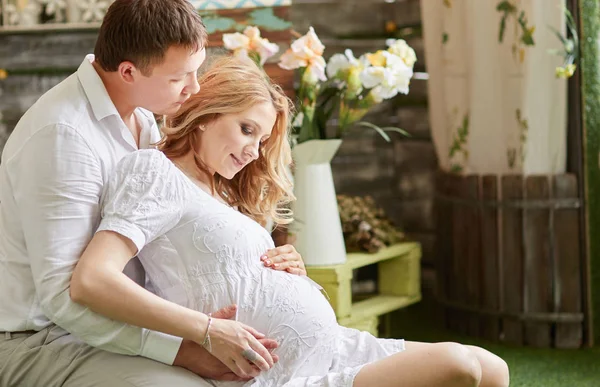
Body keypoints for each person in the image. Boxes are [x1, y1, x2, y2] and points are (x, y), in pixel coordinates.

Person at [70, 55, 510, 387]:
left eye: (261, 141)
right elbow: (93, 280)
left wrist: (289, 269)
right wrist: (206, 330)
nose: (253, 152)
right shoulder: (155, 172)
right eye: (246, 129)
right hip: (282, 375)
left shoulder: (220, 191)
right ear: (205, 116)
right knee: (460, 367)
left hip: (332, 346)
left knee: (494, 368)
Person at [0, 1, 305, 385]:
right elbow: (64, 297)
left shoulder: (143, 118)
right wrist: (185, 348)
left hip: (109, 328)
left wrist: (271, 263)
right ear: (128, 71)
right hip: (45, 341)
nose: (195, 88)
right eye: (181, 77)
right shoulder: (63, 136)